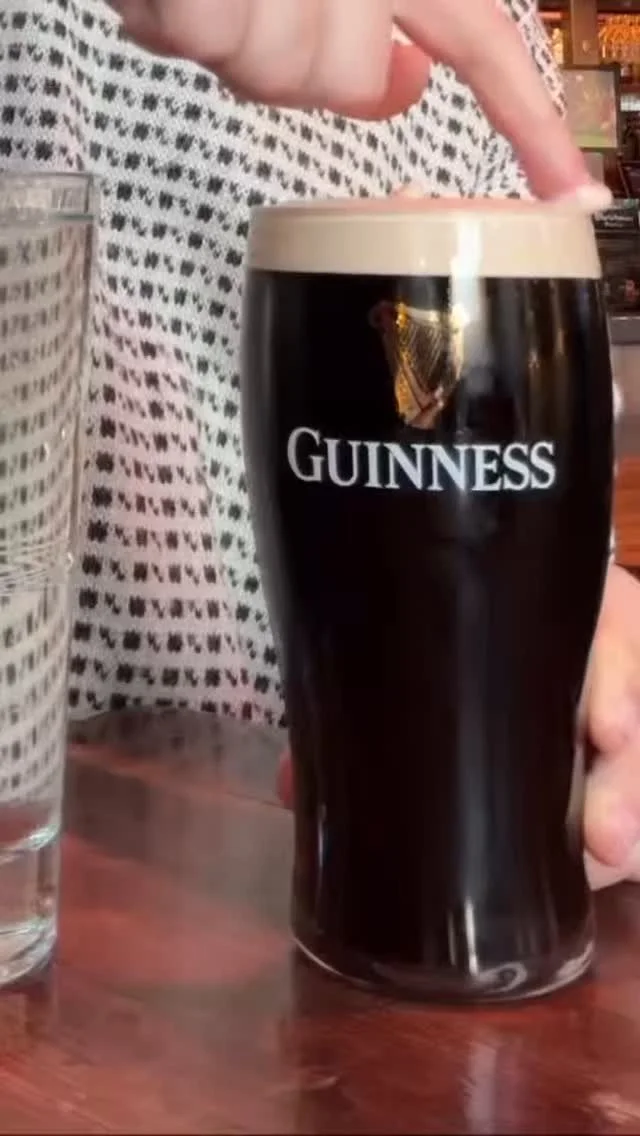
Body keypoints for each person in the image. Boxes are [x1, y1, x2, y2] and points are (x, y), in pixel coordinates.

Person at [1, 0, 639, 890]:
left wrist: (593, 636)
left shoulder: (495, 37)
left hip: (274, 882)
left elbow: (519, 483)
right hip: (64, 869)